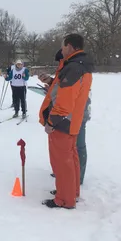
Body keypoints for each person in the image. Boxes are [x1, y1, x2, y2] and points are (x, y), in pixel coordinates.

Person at [39, 33, 94, 209]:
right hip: (72, 120)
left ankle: (64, 199)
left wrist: (52, 122)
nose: (61, 50)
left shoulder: (74, 67)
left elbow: (65, 101)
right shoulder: (78, 65)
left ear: (70, 46)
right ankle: (71, 191)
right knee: (70, 158)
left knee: (62, 162)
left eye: (63, 46)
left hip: (64, 122)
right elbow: (64, 91)